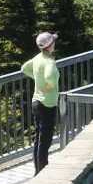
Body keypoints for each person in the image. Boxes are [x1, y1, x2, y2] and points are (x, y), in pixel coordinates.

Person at [20, 32, 61, 174]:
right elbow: (50, 76)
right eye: (53, 42)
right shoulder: (49, 61)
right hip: (47, 104)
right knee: (45, 141)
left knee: (38, 138)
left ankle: (38, 170)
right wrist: (49, 86)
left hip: (36, 102)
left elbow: (24, 68)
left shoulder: (37, 58)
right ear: (50, 45)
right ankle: (42, 172)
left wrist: (37, 80)